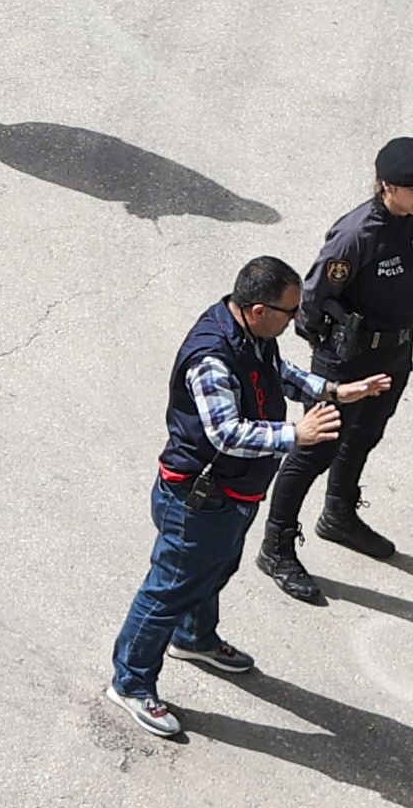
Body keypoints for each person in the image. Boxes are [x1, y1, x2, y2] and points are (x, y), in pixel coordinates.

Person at [110, 254, 380, 739]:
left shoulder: (254, 336)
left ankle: (195, 640)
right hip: (196, 499)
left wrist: (335, 392)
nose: (296, 320)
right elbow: (226, 434)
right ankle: (130, 683)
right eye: (289, 312)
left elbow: (280, 374)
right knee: (168, 591)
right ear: (257, 310)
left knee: (213, 571)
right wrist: (295, 433)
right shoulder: (212, 357)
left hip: (232, 495)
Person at [252, 137, 413, 605]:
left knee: (365, 435)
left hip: (394, 352)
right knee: (314, 449)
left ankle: (338, 514)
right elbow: (311, 301)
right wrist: (332, 356)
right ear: (385, 185)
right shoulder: (357, 235)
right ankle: (276, 545)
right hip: (348, 359)